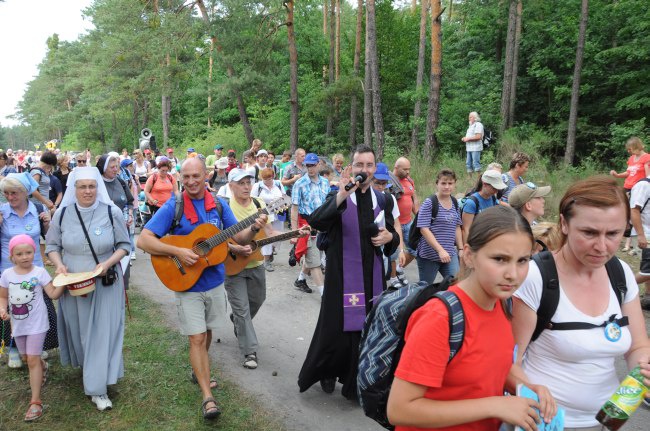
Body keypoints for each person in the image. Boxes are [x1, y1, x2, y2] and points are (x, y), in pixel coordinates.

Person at [387, 206, 556, 431]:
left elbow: (496, 365)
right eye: (499, 259)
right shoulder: (440, 318)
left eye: (523, 260)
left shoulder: (502, 302)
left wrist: (528, 386)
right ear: (468, 255)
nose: (513, 274)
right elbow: (400, 409)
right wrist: (495, 405)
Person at [511, 176, 650, 429]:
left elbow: (638, 346)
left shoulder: (621, 274)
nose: (602, 246)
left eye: (614, 233)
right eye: (589, 232)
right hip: (544, 422)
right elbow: (508, 362)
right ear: (564, 224)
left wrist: (644, 372)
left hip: (607, 420)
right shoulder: (534, 277)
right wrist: (531, 390)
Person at [136, 157, 266, 420]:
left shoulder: (218, 205)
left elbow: (237, 237)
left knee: (205, 333)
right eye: (186, 177)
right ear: (180, 178)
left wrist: (253, 227)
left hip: (215, 281)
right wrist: (178, 252)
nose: (192, 182)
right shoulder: (175, 205)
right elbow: (143, 240)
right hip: (186, 283)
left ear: (206, 175)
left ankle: (199, 371)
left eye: (196, 176)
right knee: (196, 338)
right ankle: (208, 397)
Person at [298, 145, 399, 399]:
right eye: (359, 165)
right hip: (342, 274)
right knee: (335, 327)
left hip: (372, 275)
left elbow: (392, 236)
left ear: (374, 169)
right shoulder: (339, 194)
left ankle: (355, 381)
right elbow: (317, 221)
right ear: (350, 168)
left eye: (368, 165)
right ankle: (327, 372)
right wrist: (342, 195)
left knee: (364, 330)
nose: (363, 170)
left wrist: (390, 236)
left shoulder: (383, 199)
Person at [45, 167, 131, 411]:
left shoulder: (110, 211)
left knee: (102, 331)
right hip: (73, 282)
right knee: (80, 331)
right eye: (82, 186)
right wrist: (60, 265)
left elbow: (125, 244)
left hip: (104, 283)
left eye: (91, 186)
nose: (87, 191)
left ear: (98, 187)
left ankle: (97, 389)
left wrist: (107, 264)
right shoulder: (61, 215)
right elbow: (52, 245)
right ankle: (90, 368)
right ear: (74, 189)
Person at [0, 235, 65, 421]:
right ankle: (42, 366)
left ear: (34, 252)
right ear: (11, 256)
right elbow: (3, 297)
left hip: (37, 325)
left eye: (28, 252)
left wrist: (61, 282)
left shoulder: (40, 272)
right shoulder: (7, 275)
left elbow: (52, 293)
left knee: (33, 360)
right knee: (27, 358)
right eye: (19, 254)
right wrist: (2, 309)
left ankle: (35, 402)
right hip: (18, 326)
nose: (24, 257)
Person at [0, 173, 58, 368]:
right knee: (12, 310)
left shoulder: (38, 209)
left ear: (25, 192)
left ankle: (35, 344)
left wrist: (48, 222)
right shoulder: (2, 212)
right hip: (8, 271)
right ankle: (14, 347)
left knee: (35, 308)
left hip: (35, 270)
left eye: (14, 193)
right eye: (6, 193)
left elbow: (49, 238)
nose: (10, 197)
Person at [414, 169, 463, 284]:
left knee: (456, 284)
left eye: (450, 183)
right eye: (443, 183)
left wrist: (460, 248)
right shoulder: (430, 202)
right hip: (429, 255)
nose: (447, 187)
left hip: (450, 254)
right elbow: (423, 229)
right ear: (437, 184)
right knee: (425, 288)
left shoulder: (455, 202)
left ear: (455, 184)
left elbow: (457, 226)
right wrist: (440, 250)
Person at [290, 152, 329, 294]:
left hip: (323, 225)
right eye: (308, 166)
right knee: (315, 261)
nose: (310, 168)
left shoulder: (325, 182)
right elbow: (294, 209)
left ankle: (300, 279)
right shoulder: (299, 184)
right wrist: (295, 233)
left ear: (318, 164)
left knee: (316, 256)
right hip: (308, 225)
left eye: (313, 165)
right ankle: (325, 295)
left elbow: (328, 205)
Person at [251, 167, 287, 272]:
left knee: (277, 236)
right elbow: (253, 200)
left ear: (273, 176)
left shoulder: (278, 184)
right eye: (266, 178)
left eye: (270, 178)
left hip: (278, 213)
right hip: (265, 215)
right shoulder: (258, 186)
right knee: (267, 236)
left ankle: (271, 251)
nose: (268, 180)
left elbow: (284, 197)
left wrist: (281, 202)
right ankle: (266, 260)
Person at [461, 169, 506, 244]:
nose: (497, 191)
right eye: (494, 188)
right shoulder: (471, 203)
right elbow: (466, 229)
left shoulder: (492, 198)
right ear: (484, 184)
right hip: (475, 242)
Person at [393, 157, 419, 282]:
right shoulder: (389, 182)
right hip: (394, 225)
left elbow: (414, 200)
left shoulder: (409, 180)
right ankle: (393, 278)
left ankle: (399, 269)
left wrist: (418, 216)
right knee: (392, 254)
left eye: (409, 169)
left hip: (408, 223)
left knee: (415, 250)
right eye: (405, 169)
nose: (408, 172)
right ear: (396, 168)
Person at [629, 174, 650, 311]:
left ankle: (648, 297)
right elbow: (634, 210)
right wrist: (641, 235)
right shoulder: (644, 185)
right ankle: (617, 286)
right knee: (647, 271)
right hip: (645, 233)